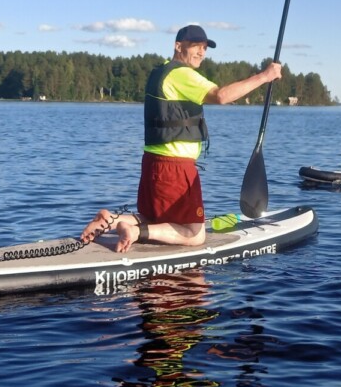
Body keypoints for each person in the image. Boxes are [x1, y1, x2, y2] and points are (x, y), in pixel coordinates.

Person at [81, 25, 284, 253]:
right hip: (174, 168)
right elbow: (222, 96)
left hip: (153, 162)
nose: (202, 52)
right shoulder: (182, 74)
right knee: (195, 234)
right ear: (178, 46)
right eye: (196, 46)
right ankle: (135, 232)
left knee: (153, 216)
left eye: (205, 48)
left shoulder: (160, 72)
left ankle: (111, 220)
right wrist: (265, 76)